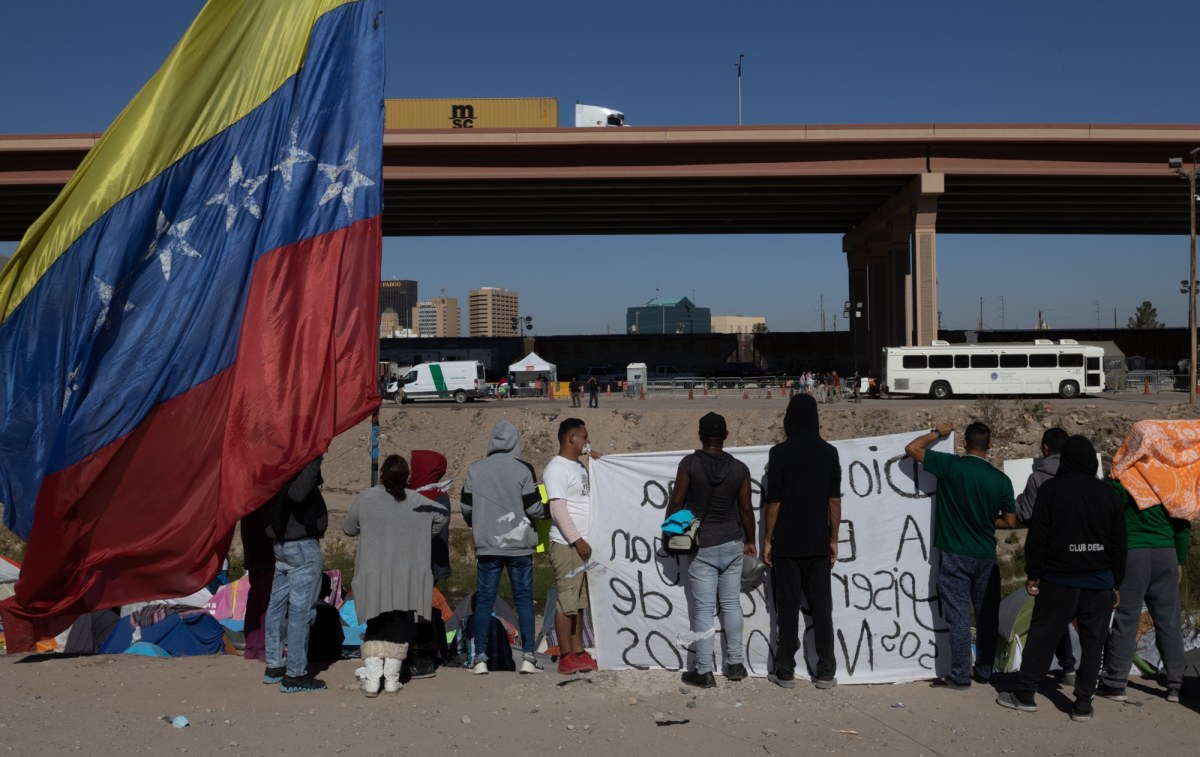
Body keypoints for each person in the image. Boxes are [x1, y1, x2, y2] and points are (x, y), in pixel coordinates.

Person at [996, 436, 1126, 721]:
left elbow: (1039, 537)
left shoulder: (1051, 490)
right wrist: (1116, 580)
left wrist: (1034, 574)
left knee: (1043, 636)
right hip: (1099, 581)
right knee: (1094, 644)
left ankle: (1026, 694)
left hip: (1059, 579)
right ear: (1092, 462)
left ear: (1065, 460)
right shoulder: (1109, 494)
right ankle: (1082, 705)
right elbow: (1119, 543)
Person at [905, 422, 1017, 689]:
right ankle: (985, 670)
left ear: (965, 443)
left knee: (958, 615)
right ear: (989, 446)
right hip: (986, 556)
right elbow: (1010, 522)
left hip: (954, 553)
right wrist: (988, 522)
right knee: (986, 616)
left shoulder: (951, 466)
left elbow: (912, 449)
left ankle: (959, 674)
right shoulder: (1001, 480)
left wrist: (937, 432)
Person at [343, 455, 450, 697]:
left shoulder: (366, 497)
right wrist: (423, 533)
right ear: (407, 478)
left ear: (382, 475)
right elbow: (442, 514)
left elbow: (349, 529)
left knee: (375, 623)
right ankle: (391, 680)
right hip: (405, 575)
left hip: (374, 574)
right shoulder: (417, 500)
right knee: (400, 624)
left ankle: (372, 680)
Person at [667, 412, 756, 688]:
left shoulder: (689, 464)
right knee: (731, 604)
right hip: (732, 542)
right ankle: (736, 664)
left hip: (702, 545)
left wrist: (668, 533)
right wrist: (750, 539)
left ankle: (704, 671)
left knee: (704, 609)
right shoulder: (739, 469)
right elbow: (745, 509)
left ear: (700, 436)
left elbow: (677, 501)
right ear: (725, 436)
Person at [763, 394, 842, 690]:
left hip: (787, 544)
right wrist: (833, 539)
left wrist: (768, 540)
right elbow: (834, 501)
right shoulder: (829, 453)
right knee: (822, 610)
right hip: (818, 543)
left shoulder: (779, 453)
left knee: (787, 608)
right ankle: (825, 671)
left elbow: (774, 502)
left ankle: (785, 670)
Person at [1096, 474, 1191, 704]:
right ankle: (1175, 684)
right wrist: (1179, 558)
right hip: (1165, 551)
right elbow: (1182, 522)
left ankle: (1116, 683)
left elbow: (1105, 502)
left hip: (1132, 552)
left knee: (1126, 617)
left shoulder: (1123, 478)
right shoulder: (1170, 477)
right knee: (1168, 620)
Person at [461, 420, 545, 675]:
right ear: (515, 442)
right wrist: (548, 511)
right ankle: (529, 657)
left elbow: (466, 508)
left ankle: (480, 659)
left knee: (485, 602)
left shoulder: (475, 470)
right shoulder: (523, 469)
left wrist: (480, 524)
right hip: (519, 547)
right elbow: (534, 509)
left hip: (487, 546)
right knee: (524, 601)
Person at [1014, 427, 1076, 684]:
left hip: (1050, 554)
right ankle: (1075, 671)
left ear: (1045, 449)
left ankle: (1032, 679)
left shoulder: (1038, 478)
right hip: (1082, 554)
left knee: (1048, 613)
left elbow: (1027, 515)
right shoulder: (1080, 476)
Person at [263, 455, 329, 693]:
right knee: (301, 611)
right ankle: (295, 674)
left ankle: (274, 665)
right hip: (301, 546)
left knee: (277, 606)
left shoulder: (272, 469)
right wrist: (315, 458)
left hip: (282, 546)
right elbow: (298, 494)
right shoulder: (293, 472)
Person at [544, 418, 602, 675]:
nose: (587, 442)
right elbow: (557, 508)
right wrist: (577, 540)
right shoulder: (556, 469)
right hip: (568, 546)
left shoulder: (577, 465)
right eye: (584, 437)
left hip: (582, 548)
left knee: (578, 604)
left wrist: (600, 464)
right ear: (571, 439)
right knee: (566, 602)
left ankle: (579, 651)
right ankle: (566, 654)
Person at [407, 449, 454, 678]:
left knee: (419, 610)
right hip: (427, 561)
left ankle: (423, 658)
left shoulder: (419, 495)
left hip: (422, 562)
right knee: (420, 608)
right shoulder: (437, 495)